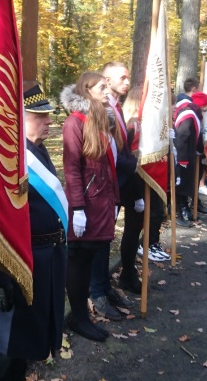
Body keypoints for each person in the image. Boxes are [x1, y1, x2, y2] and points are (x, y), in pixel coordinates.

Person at [0, 83, 67, 381]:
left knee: (31, 339)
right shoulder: (7, 158)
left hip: (45, 259)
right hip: (19, 263)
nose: (49, 122)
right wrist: (1, 277)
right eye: (39, 116)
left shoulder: (37, 151)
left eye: (49, 115)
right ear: (19, 117)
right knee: (9, 342)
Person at [60, 71, 119, 342]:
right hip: (86, 205)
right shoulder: (75, 122)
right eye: (101, 87)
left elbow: (108, 167)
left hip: (101, 203)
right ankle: (78, 316)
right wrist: (78, 209)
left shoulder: (98, 122)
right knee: (79, 260)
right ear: (87, 90)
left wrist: (115, 199)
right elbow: (72, 168)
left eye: (107, 86)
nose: (107, 91)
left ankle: (83, 315)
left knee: (89, 259)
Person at [85, 63, 135, 322]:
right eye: (104, 86)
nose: (125, 82)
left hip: (111, 189)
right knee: (97, 244)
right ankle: (97, 293)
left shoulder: (110, 111)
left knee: (105, 242)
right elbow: (77, 165)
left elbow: (117, 149)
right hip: (96, 194)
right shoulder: (85, 120)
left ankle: (103, 287)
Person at [118, 87, 170, 296]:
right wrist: (138, 194)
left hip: (141, 186)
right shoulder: (132, 126)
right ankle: (127, 275)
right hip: (132, 187)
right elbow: (129, 161)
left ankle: (129, 274)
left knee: (135, 230)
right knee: (131, 232)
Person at [173, 91, 207, 223]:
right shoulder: (189, 115)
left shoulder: (193, 113)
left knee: (187, 183)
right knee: (182, 184)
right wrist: (182, 159)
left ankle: (186, 207)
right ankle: (181, 210)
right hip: (184, 157)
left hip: (190, 154)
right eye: (206, 106)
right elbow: (183, 136)